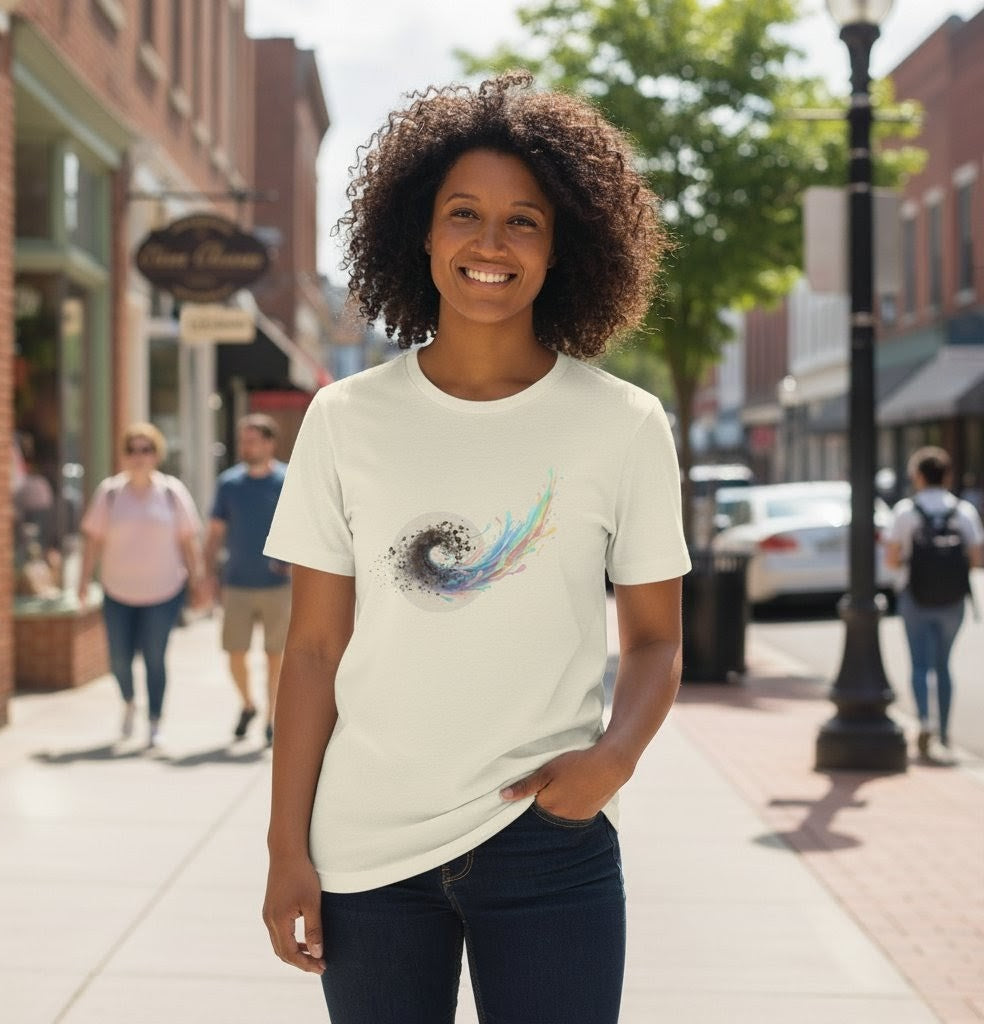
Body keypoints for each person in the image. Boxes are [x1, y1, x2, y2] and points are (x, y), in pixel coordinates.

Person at [261, 72, 690, 1024]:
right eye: (464, 214)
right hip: (367, 848)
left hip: (551, 844)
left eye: (523, 222)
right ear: (421, 230)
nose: (490, 244)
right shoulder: (343, 419)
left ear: (561, 246)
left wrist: (610, 763)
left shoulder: (622, 425)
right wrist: (287, 847)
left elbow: (657, 640)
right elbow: (315, 651)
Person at [78, 423, 204, 747]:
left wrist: (199, 581)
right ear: (124, 454)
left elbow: (188, 542)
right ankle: (129, 702)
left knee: (154, 657)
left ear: (156, 454)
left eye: (145, 449)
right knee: (118, 659)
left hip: (164, 591)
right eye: (132, 449)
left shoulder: (171, 492)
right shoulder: (109, 493)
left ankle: (155, 720)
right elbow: (92, 542)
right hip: (117, 590)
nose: (138, 456)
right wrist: (81, 582)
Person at [885, 446, 984, 760]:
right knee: (943, 665)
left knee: (919, 664)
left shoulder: (905, 511)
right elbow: (977, 558)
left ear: (918, 476)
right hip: (952, 599)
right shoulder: (963, 511)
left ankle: (924, 720)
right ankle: (944, 732)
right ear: (947, 475)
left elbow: (891, 558)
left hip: (914, 596)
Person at [204, 414, 291, 744]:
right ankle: (248, 704)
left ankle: (271, 718)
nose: (247, 446)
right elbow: (214, 532)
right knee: (235, 654)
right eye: (244, 440)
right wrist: (206, 575)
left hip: (278, 586)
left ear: (270, 443)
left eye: (254, 440)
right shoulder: (229, 483)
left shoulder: (287, 480)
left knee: (275, 656)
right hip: (237, 583)